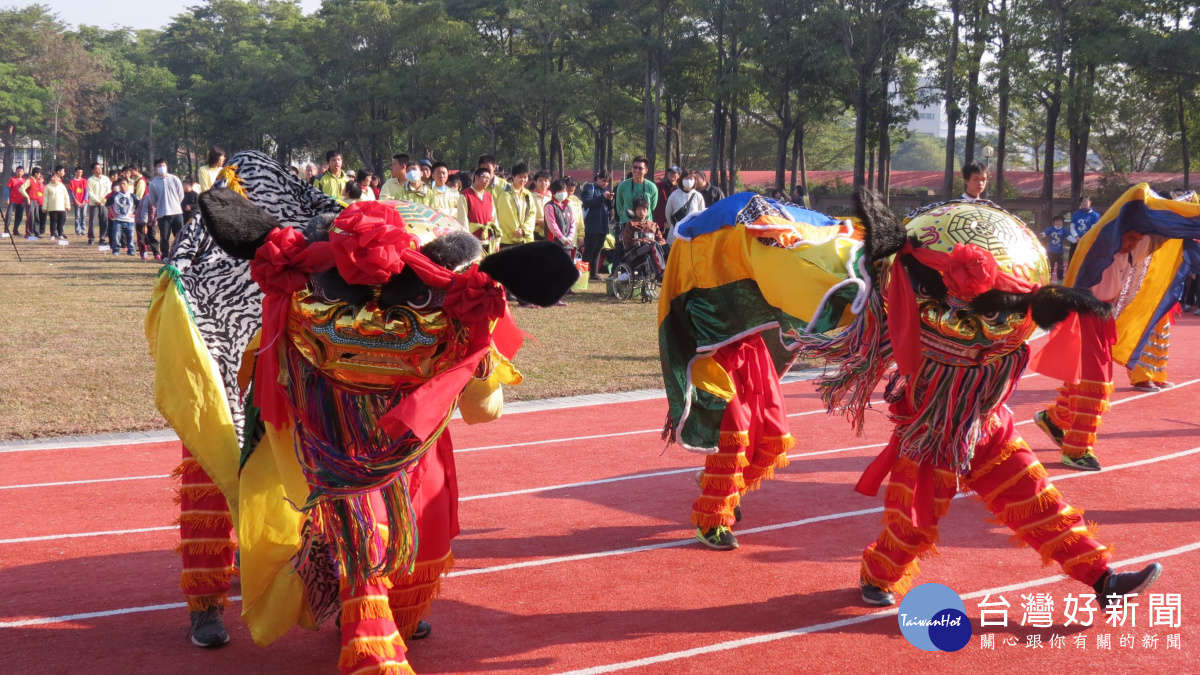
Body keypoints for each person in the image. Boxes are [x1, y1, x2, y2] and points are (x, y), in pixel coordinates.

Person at [802, 190, 1162, 609]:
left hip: (988, 429)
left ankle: (1104, 580)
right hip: (932, 437)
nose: (965, 318)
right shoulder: (910, 324)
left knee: (1041, 503)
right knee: (912, 525)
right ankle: (877, 576)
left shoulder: (1006, 331)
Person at [140, 158, 185, 258]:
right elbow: (153, 200)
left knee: (179, 235)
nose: (162, 168)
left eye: (163, 165)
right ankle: (165, 255)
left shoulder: (174, 179)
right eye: (159, 166)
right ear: (155, 168)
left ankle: (180, 253)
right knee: (164, 236)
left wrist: (174, 204)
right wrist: (161, 206)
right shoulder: (153, 183)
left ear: (167, 166)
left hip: (177, 212)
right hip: (163, 213)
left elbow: (181, 195)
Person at [458, 166, 501, 254]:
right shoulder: (465, 195)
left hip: (488, 239)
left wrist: (497, 240)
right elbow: (463, 220)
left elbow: (494, 218)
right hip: (473, 239)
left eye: (489, 179)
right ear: (476, 177)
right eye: (484, 177)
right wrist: (468, 240)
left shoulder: (489, 196)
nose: (487, 180)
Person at [579, 171, 613, 281]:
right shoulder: (590, 187)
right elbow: (587, 202)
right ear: (597, 178)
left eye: (607, 182)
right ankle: (583, 275)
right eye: (604, 181)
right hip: (591, 224)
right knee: (589, 250)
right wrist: (601, 197)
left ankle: (594, 274)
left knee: (598, 250)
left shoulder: (605, 191)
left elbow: (608, 207)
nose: (605, 184)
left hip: (602, 225)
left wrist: (610, 201)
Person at [620, 198, 666, 275]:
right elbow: (628, 241)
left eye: (644, 210)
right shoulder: (631, 224)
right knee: (653, 246)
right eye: (638, 209)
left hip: (653, 247)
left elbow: (661, 239)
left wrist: (660, 243)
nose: (641, 212)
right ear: (634, 211)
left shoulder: (653, 225)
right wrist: (643, 241)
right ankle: (660, 272)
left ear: (647, 211)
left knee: (668, 247)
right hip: (636, 251)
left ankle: (671, 272)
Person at [496, 162, 535, 248]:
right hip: (509, 240)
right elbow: (506, 217)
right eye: (520, 177)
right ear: (513, 177)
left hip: (526, 239)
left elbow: (532, 214)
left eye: (525, 177)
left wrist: (524, 230)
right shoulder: (505, 193)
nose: (523, 180)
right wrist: (517, 231)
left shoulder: (528, 194)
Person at [665, 168, 706, 241]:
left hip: (692, 234)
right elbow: (668, 213)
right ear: (681, 179)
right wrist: (674, 226)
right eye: (686, 178)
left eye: (691, 178)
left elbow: (701, 214)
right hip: (676, 233)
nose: (689, 180)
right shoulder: (674, 195)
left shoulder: (698, 196)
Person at [544, 179, 578, 257]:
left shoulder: (568, 206)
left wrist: (570, 236)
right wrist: (562, 238)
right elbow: (552, 224)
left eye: (564, 190)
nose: (563, 193)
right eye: (560, 191)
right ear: (554, 193)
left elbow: (572, 223)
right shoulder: (550, 206)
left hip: (567, 244)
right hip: (554, 244)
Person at [106, 177, 138, 255]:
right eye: (120, 184)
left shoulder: (132, 196)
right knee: (116, 236)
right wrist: (113, 213)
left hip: (129, 221)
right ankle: (116, 250)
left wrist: (134, 213)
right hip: (118, 220)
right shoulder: (115, 196)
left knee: (130, 237)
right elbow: (107, 204)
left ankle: (131, 250)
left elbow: (139, 205)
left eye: (124, 184)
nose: (122, 185)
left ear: (128, 185)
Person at [1069, 195, 1101, 263]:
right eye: (1082, 201)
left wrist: (1084, 238)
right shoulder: (1076, 214)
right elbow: (1072, 227)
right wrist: (1076, 237)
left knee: (1086, 261)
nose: (1084, 203)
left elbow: (1093, 229)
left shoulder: (1095, 215)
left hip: (1087, 240)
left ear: (1090, 202)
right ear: (1080, 204)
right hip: (1076, 240)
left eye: (1086, 201)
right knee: (1073, 261)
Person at [43, 166, 70, 242]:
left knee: (60, 222)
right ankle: (52, 235)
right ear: (50, 178)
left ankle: (60, 235)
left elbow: (66, 196)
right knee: (53, 222)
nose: (55, 179)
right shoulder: (48, 187)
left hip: (61, 207)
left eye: (56, 178)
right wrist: (44, 207)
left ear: (58, 179)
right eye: (53, 178)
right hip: (52, 207)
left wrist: (67, 205)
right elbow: (45, 198)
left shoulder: (62, 186)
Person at [86, 164, 111, 246]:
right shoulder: (90, 180)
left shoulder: (106, 179)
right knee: (92, 221)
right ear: (93, 170)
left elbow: (108, 191)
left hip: (104, 204)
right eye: (97, 169)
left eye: (100, 168)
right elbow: (90, 192)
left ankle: (102, 239)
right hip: (94, 204)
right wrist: (97, 200)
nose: (99, 170)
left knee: (104, 221)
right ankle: (91, 238)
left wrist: (103, 200)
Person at [1041, 215, 1067, 282]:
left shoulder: (1064, 229)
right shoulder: (1051, 229)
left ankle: (1060, 279)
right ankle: (1048, 278)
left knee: (1061, 266)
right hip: (1051, 251)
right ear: (1054, 222)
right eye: (1057, 221)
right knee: (1050, 266)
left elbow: (1069, 237)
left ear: (1062, 222)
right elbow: (1044, 233)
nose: (1058, 223)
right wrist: (1042, 235)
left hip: (1060, 252)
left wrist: (1077, 240)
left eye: (1060, 221)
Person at [20, 167, 45, 239]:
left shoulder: (36, 181)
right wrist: (27, 197)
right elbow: (21, 188)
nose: (40, 176)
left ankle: (37, 232)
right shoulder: (29, 180)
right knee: (30, 217)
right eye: (39, 174)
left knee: (37, 218)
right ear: (36, 173)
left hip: (36, 201)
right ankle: (29, 233)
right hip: (30, 201)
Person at [530, 170, 552, 239]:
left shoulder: (552, 196)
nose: (543, 182)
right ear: (535, 182)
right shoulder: (530, 196)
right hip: (534, 231)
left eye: (546, 180)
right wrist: (538, 221)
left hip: (551, 231)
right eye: (540, 180)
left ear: (549, 183)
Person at [6, 165, 25, 237]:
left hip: (21, 202)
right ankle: (6, 230)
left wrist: (24, 201)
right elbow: (7, 189)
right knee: (9, 215)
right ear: (16, 171)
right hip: (13, 201)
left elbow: (26, 191)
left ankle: (15, 230)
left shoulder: (25, 181)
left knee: (19, 216)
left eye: (21, 171)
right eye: (18, 171)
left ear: (23, 172)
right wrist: (7, 198)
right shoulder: (12, 179)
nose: (19, 173)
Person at [69, 167, 88, 235]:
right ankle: (78, 230)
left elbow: (86, 191)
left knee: (83, 215)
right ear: (75, 172)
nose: (79, 174)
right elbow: (71, 192)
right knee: (77, 216)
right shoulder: (72, 181)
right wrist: (76, 201)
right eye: (78, 172)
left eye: (81, 172)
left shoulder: (84, 181)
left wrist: (84, 200)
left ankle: (83, 229)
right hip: (76, 202)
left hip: (84, 202)